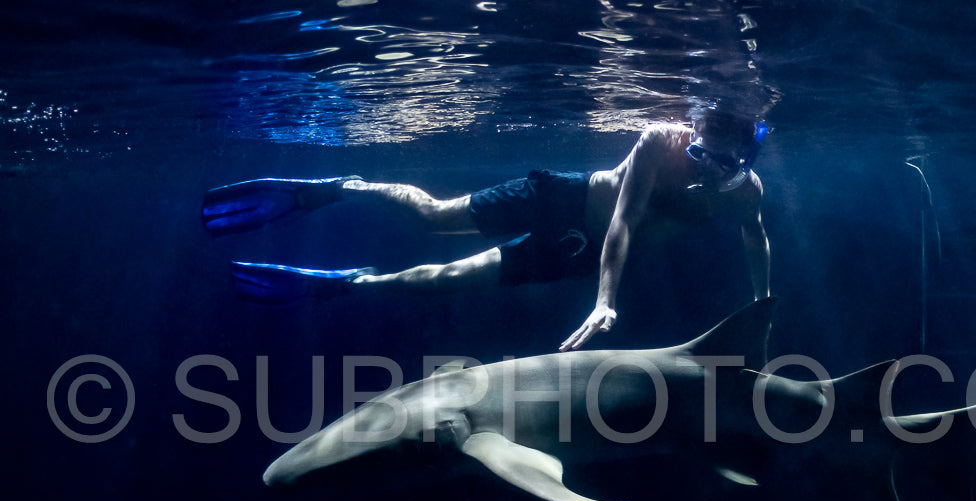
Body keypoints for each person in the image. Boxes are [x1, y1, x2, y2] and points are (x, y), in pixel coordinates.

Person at [202, 107, 771, 351]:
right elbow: (622, 220)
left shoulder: (747, 195)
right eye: (702, 148)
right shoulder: (660, 144)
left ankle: (347, 283)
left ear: (747, 153)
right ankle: (344, 187)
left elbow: (756, 235)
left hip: (576, 253)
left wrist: (760, 305)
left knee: (442, 282)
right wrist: (605, 300)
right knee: (435, 217)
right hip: (564, 201)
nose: (704, 163)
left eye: (721, 159)